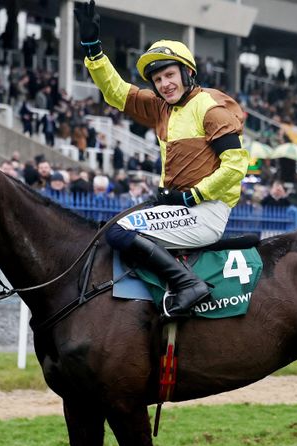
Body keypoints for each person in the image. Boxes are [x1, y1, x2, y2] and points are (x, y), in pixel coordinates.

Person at [76, 0, 249, 318]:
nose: (164, 84)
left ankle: (189, 286)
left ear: (187, 73)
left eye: (170, 75)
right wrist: (93, 50)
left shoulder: (210, 106)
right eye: (157, 80)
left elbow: (237, 166)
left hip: (205, 212)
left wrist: (193, 194)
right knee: (109, 229)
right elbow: (116, 92)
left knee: (119, 233)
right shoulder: (161, 107)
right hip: (176, 208)